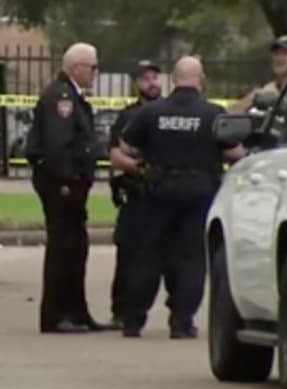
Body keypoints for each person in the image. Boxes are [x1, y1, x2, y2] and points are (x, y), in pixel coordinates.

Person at [115, 56, 246, 339]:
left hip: (158, 190)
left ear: (173, 79)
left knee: (146, 256)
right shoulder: (213, 114)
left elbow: (126, 145)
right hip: (199, 191)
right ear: (201, 79)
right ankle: (181, 322)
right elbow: (235, 152)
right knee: (191, 258)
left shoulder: (152, 112)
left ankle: (133, 320)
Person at [24, 42, 108, 334]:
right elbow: (58, 144)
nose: (96, 73)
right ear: (76, 67)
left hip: (73, 182)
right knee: (63, 248)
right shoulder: (62, 97)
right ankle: (57, 314)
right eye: (93, 67)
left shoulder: (73, 95)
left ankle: (77, 311)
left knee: (76, 248)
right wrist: (65, 181)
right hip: (62, 184)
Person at [106, 59, 169, 329]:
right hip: (136, 192)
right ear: (136, 84)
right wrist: (135, 168)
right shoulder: (127, 116)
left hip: (166, 193)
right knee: (128, 252)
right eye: (144, 78)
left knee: (171, 255)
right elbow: (114, 153)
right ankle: (121, 310)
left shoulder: (170, 112)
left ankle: (177, 312)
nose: (151, 83)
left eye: (154, 77)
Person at [229, 34, 287, 113]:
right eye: (276, 53)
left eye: (285, 53)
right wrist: (253, 99)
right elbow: (231, 114)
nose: (279, 58)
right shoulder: (266, 91)